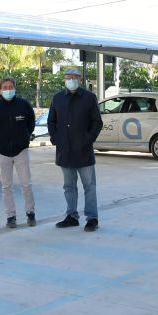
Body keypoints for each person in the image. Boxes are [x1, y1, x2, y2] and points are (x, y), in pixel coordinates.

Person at [47, 67, 103, 232]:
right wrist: (56, 139)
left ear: (79, 79)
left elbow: (97, 122)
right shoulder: (57, 98)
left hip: (84, 150)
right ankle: (71, 216)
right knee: (69, 186)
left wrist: (88, 139)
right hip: (65, 151)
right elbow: (51, 121)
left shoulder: (89, 98)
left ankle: (92, 218)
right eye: (68, 77)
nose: (71, 80)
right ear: (64, 79)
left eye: (74, 77)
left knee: (89, 186)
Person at [0, 77, 36, 229]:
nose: (8, 89)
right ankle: (11, 216)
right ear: (0, 90)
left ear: (15, 88)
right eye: (5, 87)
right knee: (6, 186)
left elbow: (31, 124)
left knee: (26, 184)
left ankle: (30, 213)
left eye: (10, 87)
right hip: (2, 152)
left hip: (21, 150)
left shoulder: (24, 105)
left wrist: (24, 139)